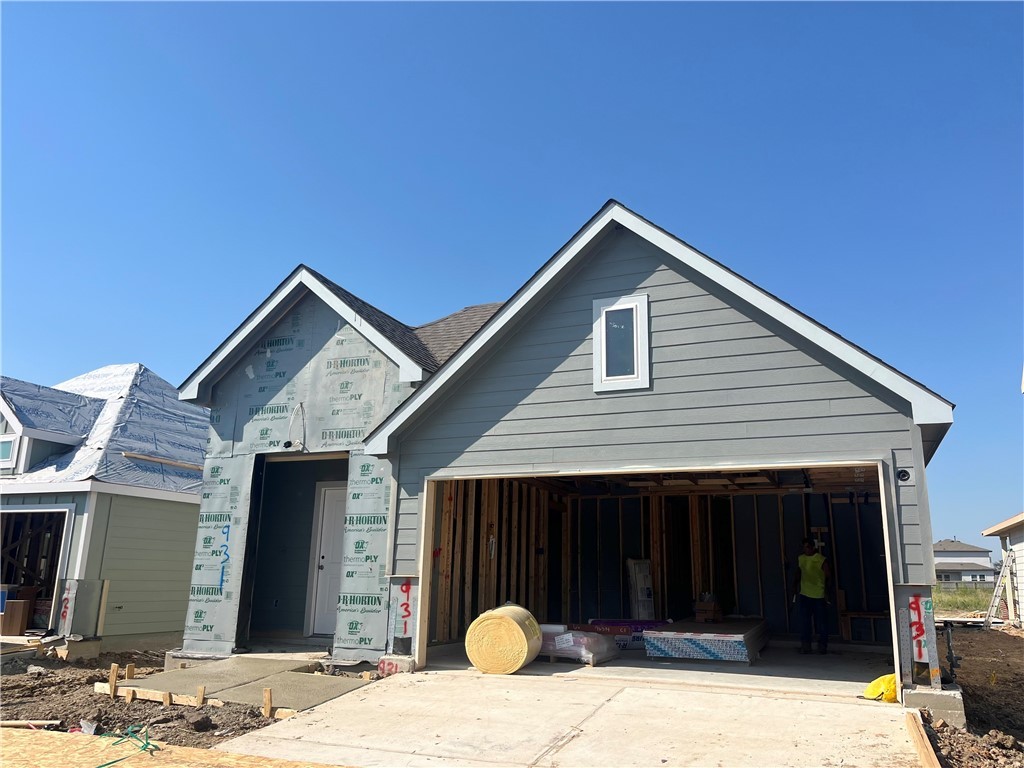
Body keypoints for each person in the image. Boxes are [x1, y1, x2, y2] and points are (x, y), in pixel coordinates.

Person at [793, 537, 831, 654]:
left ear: (813, 547)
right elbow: (798, 574)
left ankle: (822, 646)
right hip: (805, 593)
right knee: (805, 622)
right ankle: (806, 646)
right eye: (804, 547)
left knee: (821, 623)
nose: (806, 550)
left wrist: (827, 593)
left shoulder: (821, 560)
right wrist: (794, 587)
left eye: (808, 547)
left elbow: (828, 576)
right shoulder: (801, 559)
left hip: (818, 595)